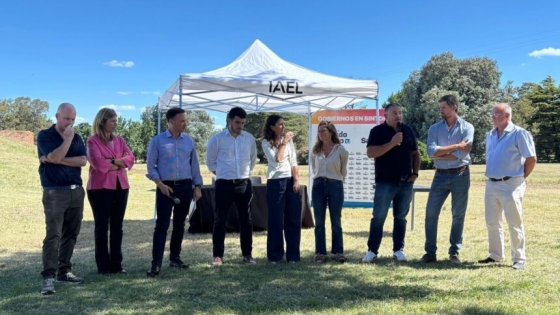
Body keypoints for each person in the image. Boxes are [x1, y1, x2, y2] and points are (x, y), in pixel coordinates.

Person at [145, 107, 203, 277]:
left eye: (185, 120)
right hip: (165, 188)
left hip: (185, 187)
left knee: (180, 224)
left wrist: (197, 186)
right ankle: (156, 264)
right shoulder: (157, 141)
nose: (185, 123)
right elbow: (150, 166)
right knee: (162, 225)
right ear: (170, 121)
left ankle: (175, 258)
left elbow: (194, 166)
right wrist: (159, 184)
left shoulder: (189, 141)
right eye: (182, 121)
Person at [478, 103, 536, 270]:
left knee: (514, 222)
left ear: (507, 116)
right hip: (491, 183)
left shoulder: (520, 134)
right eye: (493, 113)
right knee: (492, 221)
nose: (492, 116)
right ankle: (496, 255)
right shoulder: (490, 135)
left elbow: (531, 158)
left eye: (496, 113)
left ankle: (519, 258)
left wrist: (521, 177)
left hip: (511, 183)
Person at [37, 103, 87, 295]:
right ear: (57, 116)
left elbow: (83, 160)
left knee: (71, 232)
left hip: (76, 191)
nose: (70, 122)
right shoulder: (45, 135)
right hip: (55, 192)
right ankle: (48, 277)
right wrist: (67, 140)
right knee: (53, 234)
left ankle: (64, 271)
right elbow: (55, 155)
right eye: (66, 118)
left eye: (73, 119)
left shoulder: (78, 136)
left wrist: (55, 159)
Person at [362, 103, 420, 263]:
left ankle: (398, 250)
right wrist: (392, 143)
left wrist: (415, 174)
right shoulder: (377, 131)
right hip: (385, 182)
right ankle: (372, 250)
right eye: (394, 113)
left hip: (405, 182)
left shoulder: (407, 130)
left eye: (400, 113)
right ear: (385, 116)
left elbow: (416, 153)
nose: (398, 116)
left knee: (401, 217)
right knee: (379, 217)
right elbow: (370, 152)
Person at [421, 95, 474, 264]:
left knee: (458, 215)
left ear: (454, 107)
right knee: (430, 213)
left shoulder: (467, 127)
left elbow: (462, 154)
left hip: (461, 174)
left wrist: (443, 152)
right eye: (440, 108)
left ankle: (454, 252)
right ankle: (430, 253)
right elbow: (431, 152)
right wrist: (457, 146)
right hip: (440, 175)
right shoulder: (434, 129)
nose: (440, 110)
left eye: (443, 107)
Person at [206, 107, 257, 266]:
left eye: (242, 122)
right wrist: (225, 174)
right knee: (220, 219)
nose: (240, 125)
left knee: (246, 220)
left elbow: (252, 160)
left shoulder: (249, 138)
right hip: (224, 184)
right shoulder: (217, 139)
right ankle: (218, 256)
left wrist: (242, 174)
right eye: (237, 122)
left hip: (244, 184)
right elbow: (210, 162)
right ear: (229, 120)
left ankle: (247, 254)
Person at [86, 108, 135, 275]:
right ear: (103, 122)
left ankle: (117, 264)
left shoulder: (120, 140)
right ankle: (103, 267)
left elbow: (131, 159)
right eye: (112, 120)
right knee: (102, 227)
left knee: (117, 226)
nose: (116, 123)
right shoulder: (92, 141)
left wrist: (112, 161)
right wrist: (120, 163)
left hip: (121, 187)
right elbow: (98, 165)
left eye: (116, 120)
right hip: (100, 189)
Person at [261, 115, 301, 264]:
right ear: (272, 127)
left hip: (290, 181)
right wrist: (284, 143)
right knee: (276, 220)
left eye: (284, 124)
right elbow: (277, 159)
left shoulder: (288, 141)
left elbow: (294, 160)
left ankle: (293, 256)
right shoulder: (266, 143)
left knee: (293, 219)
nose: (283, 127)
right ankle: (275, 255)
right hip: (275, 182)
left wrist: (296, 180)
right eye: (280, 125)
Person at [311, 121, 349, 263]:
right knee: (319, 221)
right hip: (318, 185)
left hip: (335, 185)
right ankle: (320, 252)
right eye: (319, 131)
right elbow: (315, 168)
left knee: (336, 220)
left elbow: (343, 171)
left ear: (331, 132)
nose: (320, 134)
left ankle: (338, 252)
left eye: (323, 131)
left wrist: (335, 180)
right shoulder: (316, 150)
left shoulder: (341, 150)